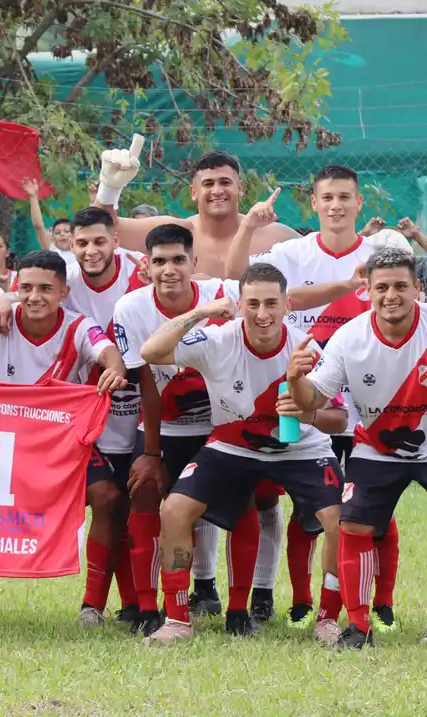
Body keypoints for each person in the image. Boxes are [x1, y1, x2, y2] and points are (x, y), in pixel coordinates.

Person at [225, 166, 402, 631]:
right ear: (315, 203)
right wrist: (248, 225)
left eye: (346, 197)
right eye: (328, 197)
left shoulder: (381, 256)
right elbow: (239, 281)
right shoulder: (290, 253)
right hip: (305, 397)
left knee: (370, 508)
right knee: (305, 507)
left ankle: (380, 604)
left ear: (360, 203)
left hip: (366, 402)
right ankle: (304, 602)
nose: (337, 206)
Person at [287, 247, 427, 649]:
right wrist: (295, 377)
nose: (390, 295)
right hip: (376, 449)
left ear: (418, 287)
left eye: (400, 286)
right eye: (381, 287)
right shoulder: (348, 337)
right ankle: (358, 627)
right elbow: (313, 402)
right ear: (368, 291)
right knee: (353, 526)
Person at [137, 263, 346, 645]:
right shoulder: (217, 339)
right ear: (239, 304)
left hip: (299, 448)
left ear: (288, 305)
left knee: (339, 519)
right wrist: (200, 312)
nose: (262, 314)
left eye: (271, 303)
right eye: (252, 304)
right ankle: (178, 619)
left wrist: (307, 411)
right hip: (231, 444)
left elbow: (338, 417)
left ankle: (328, 619)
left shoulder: (307, 349)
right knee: (173, 510)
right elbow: (151, 350)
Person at [0, 207, 148, 629]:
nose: (91, 251)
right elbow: (32, 287)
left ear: (116, 240)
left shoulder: (143, 271)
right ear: (70, 245)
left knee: (139, 511)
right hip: (87, 417)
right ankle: (107, 606)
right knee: (112, 503)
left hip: (145, 411)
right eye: (82, 243)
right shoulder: (65, 280)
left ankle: (155, 601)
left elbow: (191, 281)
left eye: (99, 241)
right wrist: (5, 296)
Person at [111, 223, 242, 635]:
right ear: (146, 267)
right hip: (165, 426)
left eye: (178, 260)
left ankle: (241, 608)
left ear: (194, 262)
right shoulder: (130, 308)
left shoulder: (225, 296)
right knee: (144, 494)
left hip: (222, 426)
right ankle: (149, 607)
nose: (170, 269)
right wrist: (150, 454)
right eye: (160, 261)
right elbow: (147, 385)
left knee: (250, 502)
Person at [94, 148, 298, 275]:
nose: (217, 191)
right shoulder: (173, 233)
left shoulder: (277, 236)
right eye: (208, 184)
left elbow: (322, 251)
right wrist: (109, 189)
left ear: (240, 188)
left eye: (225, 182)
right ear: (194, 192)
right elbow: (104, 229)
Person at [22, 177, 77, 268]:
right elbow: (38, 227)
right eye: (57, 233)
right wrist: (33, 197)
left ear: (75, 235)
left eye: (67, 231)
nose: (62, 234)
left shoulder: (81, 252)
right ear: (53, 238)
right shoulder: (52, 250)